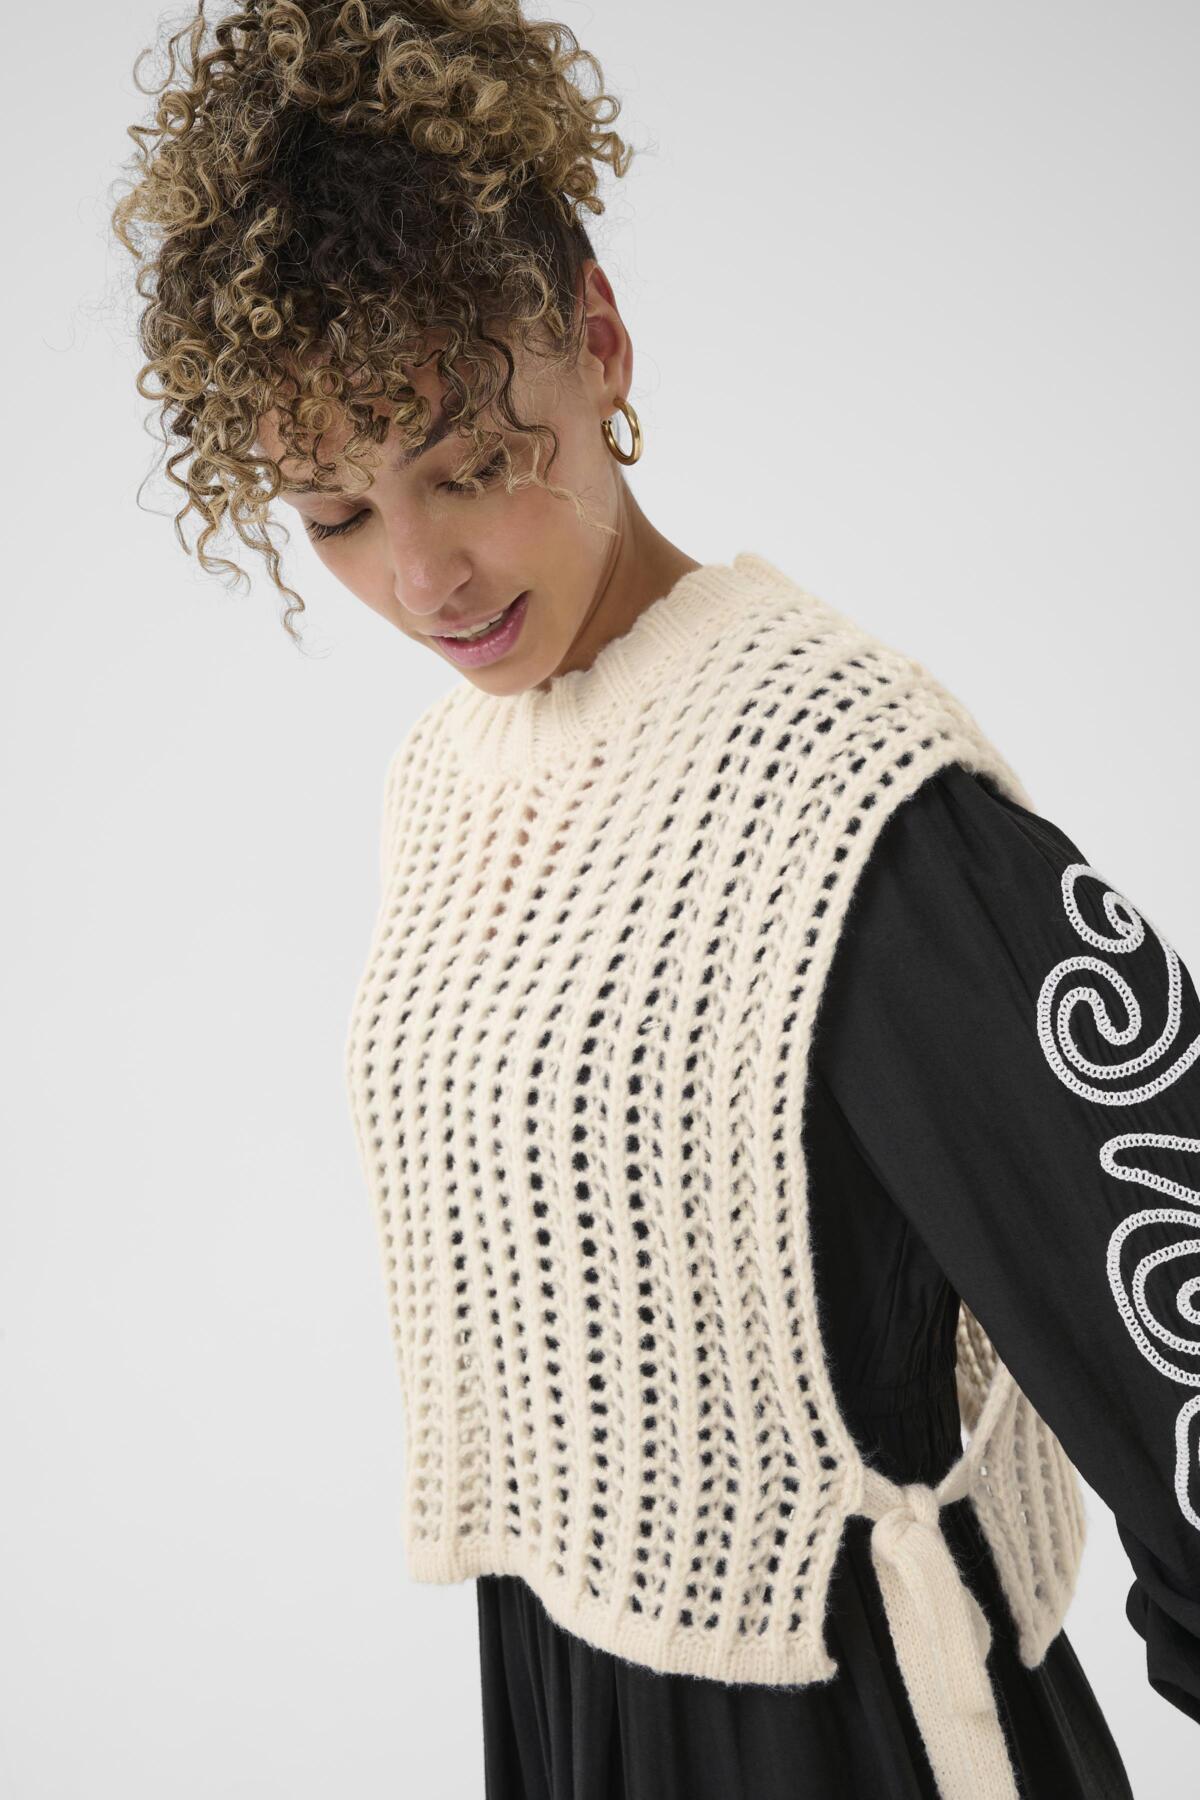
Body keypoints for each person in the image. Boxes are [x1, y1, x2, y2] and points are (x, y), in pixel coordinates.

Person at [110, 4, 1198, 1794]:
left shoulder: (854, 807)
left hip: (847, 1735)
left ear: (598, 341)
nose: (425, 576)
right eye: (336, 515)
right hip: (571, 1716)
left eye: (470, 464)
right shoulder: (449, 784)